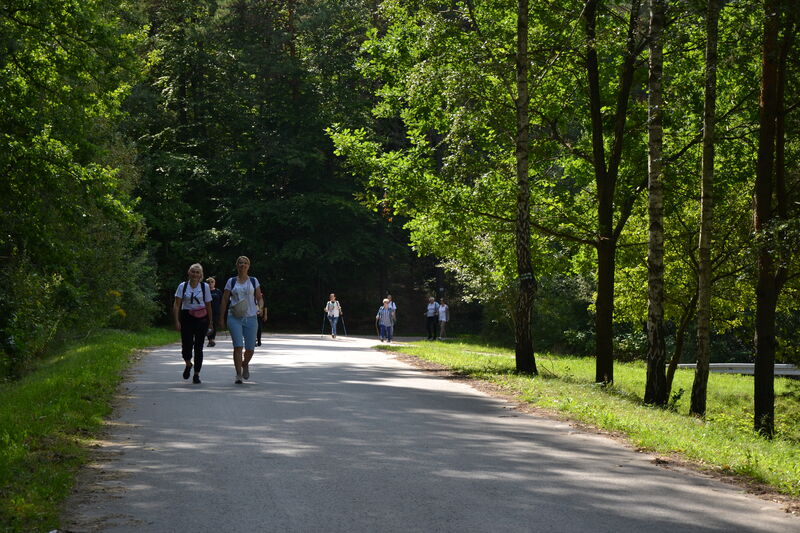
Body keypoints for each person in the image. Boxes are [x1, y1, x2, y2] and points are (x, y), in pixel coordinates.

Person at [219, 256, 264, 384]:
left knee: (250, 349)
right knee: (238, 346)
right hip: (234, 317)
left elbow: (259, 298)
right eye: (240, 263)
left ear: (248, 266)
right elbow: (224, 299)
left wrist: (260, 308)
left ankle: (245, 364)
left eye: (245, 263)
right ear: (237, 265)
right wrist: (221, 318)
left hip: (251, 317)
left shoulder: (254, 281)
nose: (242, 265)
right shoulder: (231, 281)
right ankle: (238, 375)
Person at [173, 263, 212, 384]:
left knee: (199, 347)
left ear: (201, 275)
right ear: (189, 273)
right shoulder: (182, 286)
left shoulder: (204, 287)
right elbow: (177, 304)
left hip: (202, 318)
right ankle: (188, 363)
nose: (195, 274)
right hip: (187, 317)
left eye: (197, 272)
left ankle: (196, 374)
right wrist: (176, 320)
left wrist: (211, 323)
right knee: (186, 345)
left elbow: (208, 305)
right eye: (193, 272)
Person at [206, 277, 222, 347]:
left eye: (212, 282)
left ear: (214, 283)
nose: (210, 284)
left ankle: (212, 339)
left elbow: (222, 301)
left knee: (214, 325)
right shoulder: (205, 291)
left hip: (216, 311)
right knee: (208, 325)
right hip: (206, 311)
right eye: (209, 282)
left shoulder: (218, 291)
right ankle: (210, 340)